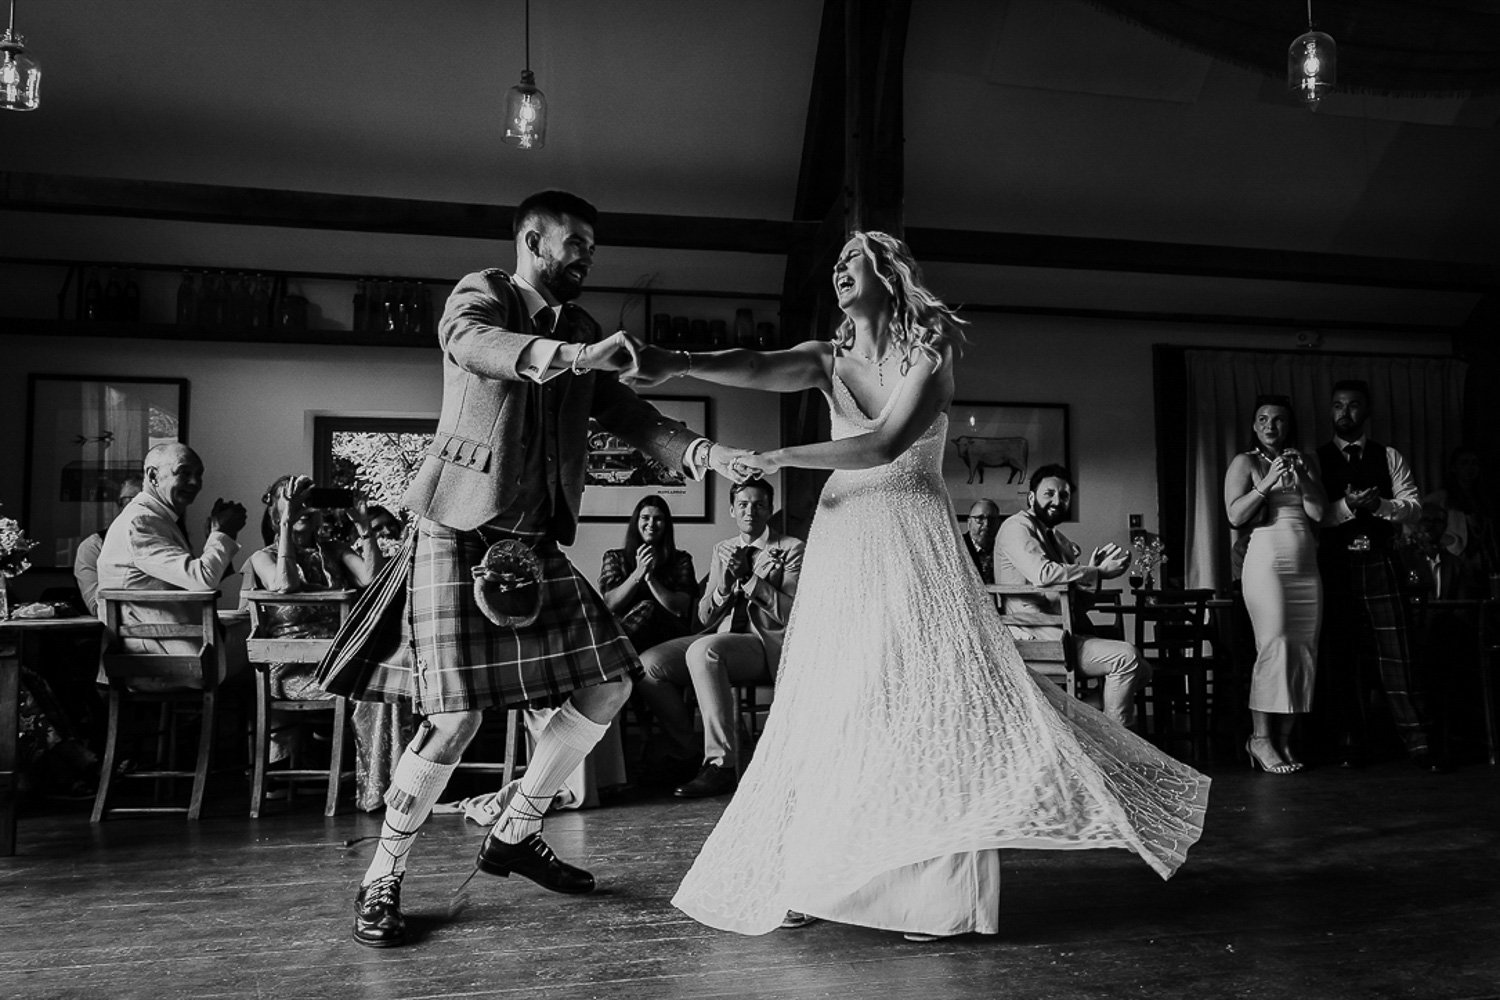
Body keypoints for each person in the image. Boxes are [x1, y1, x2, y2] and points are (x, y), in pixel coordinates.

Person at [629, 231, 1209, 940]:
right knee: (834, 704)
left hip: (913, 540)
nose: (841, 268)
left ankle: (934, 901)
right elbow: (752, 362)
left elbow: (881, 444)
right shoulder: (825, 359)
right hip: (845, 541)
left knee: (925, 700)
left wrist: (775, 456)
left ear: (890, 273)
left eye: (854, 259)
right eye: (836, 261)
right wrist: (675, 361)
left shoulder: (929, 357)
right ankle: (815, 876)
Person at [315, 189, 747, 949]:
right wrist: (572, 357)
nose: (585, 254)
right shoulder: (485, 294)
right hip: (458, 529)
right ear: (531, 238)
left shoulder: (580, 327)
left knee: (610, 681)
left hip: (536, 541)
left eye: (592, 244)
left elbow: (627, 414)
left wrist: (703, 453)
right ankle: (381, 876)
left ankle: (515, 828)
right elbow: (471, 343)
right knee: (453, 720)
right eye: (573, 240)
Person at [243, 475, 409, 811]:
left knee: (392, 681)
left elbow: (374, 580)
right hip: (295, 670)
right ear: (275, 510)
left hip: (341, 661)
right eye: (293, 499)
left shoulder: (335, 550)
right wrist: (288, 523)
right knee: (375, 688)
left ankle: (396, 788)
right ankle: (383, 792)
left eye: (309, 500)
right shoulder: (262, 557)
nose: (304, 506)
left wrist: (364, 525)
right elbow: (285, 585)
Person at [635, 480, 803, 798]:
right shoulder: (722, 549)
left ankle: (722, 765)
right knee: (647, 665)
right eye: (742, 505)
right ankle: (691, 751)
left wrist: (749, 580)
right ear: (731, 510)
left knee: (703, 650)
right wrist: (725, 587)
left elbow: (791, 614)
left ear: (769, 508)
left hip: (764, 643)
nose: (750, 511)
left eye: (758, 504)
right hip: (721, 637)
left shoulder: (792, 548)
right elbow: (702, 618)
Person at [1315, 379, 1443, 771]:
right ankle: (1350, 741)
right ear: (1331, 411)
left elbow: (1415, 506)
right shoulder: (1315, 459)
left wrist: (1381, 505)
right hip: (1334, 567)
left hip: (1381, 562)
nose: (1344, 413)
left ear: (1365, 411)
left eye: (1353, 406)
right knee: (1343, 656)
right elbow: (1314, 515)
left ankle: (1419, 743)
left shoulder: (1388, 455)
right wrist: (1350, 508)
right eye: (1338, 405)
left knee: (1398, 656)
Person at [995, 466, 1150, 729]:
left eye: (1064, 496)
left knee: (1143, 671)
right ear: (1032, 498)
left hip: (1064, 629)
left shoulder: (1052, 536)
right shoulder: (1015, 527)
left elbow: (1073, 601)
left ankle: (1076, 719)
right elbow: (1043, 574)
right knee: (1127, 659)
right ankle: (1116, 747)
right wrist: (1097, 572)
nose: (1057, 501)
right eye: (1049, 493)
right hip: (1037, 634)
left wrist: (1092, 574)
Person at [1223, 395, 1326, 774]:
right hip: (1266, 560)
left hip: (1305, 564)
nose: (1271, 426)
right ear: (1254, 425)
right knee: (1274, 643)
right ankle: (1260, 738)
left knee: (1303, 648)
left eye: (1279, 420)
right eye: (1263, 419)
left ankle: (1284, 738)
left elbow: (1318, 513)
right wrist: (1267, 482)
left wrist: (1302, 477)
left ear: (1289, 425)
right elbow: (1235, 515)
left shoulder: (1306, 460)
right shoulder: (1244, 462)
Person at [96, 443, 248, 681]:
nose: (195, 483)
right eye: (184, 472)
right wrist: (222, 534)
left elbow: (193, 580)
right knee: (267, 641)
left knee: (254, 627)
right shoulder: (142, 521)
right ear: (153, 475)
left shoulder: (157, 519)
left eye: (199, 475)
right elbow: (203, 580)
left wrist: (215, 537)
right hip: (156, 657)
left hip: (165, 645)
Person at [599, 494, 699, 654]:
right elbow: (611, 604)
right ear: (636, 522)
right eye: (645, 517)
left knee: (649, 607)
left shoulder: (681, 560)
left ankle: (609, 656)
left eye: (658, 519)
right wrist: (638, 573)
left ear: (666, 524)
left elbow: (680, 608)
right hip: (628, 632)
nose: (651, 524)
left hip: (668, 632)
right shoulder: (614, 557)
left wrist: (650, 578)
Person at [73, 476, 143, 616]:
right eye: (129, 500)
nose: (137, 507)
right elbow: (97, 607)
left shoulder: (169, 543)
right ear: (119, 505)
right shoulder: (92, 547)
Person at [961, 498, 1000, 584]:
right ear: (969, 523)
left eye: (992, 519)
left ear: (998, 523)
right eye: (980, 518)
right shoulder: (957, 547)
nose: (986, 524)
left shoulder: (1004, 548)